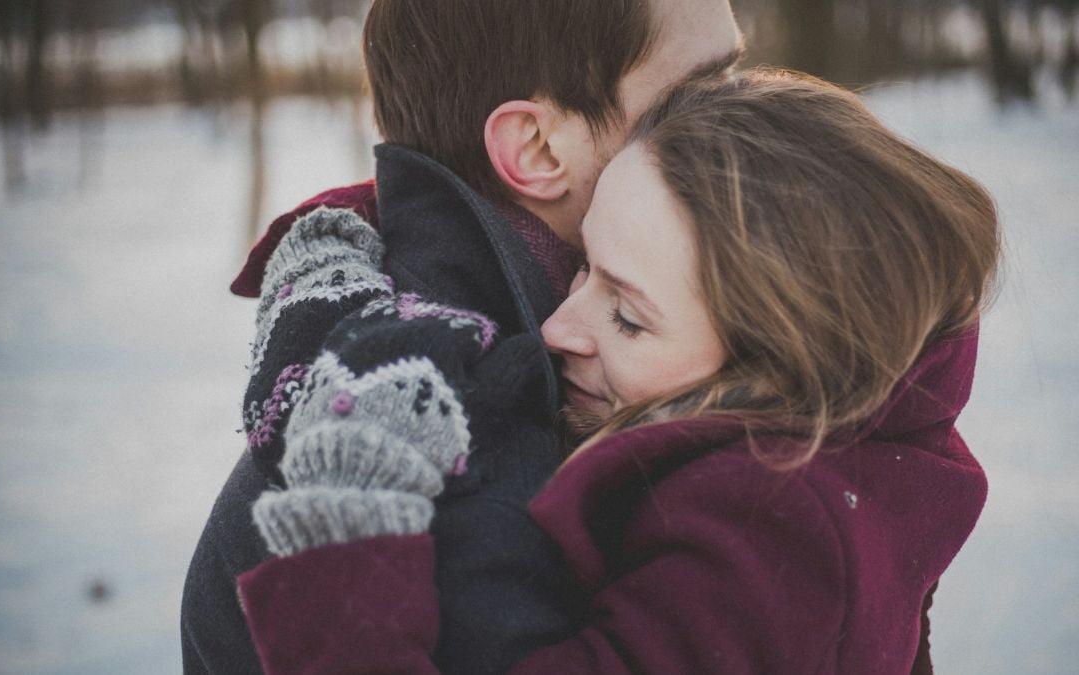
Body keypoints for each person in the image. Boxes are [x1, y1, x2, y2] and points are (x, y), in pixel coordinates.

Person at [235, 68, 1000, 673]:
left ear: (783, 362)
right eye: (583, 267)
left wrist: (341, 541)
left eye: (628, 316)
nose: (559, 329)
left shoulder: (769, 551)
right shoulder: (829, 465)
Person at [180, 0, 744, 673]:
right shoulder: (472, 472)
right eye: (702, 92)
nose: (749, 122)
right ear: (535, 148)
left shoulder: (560, 367)